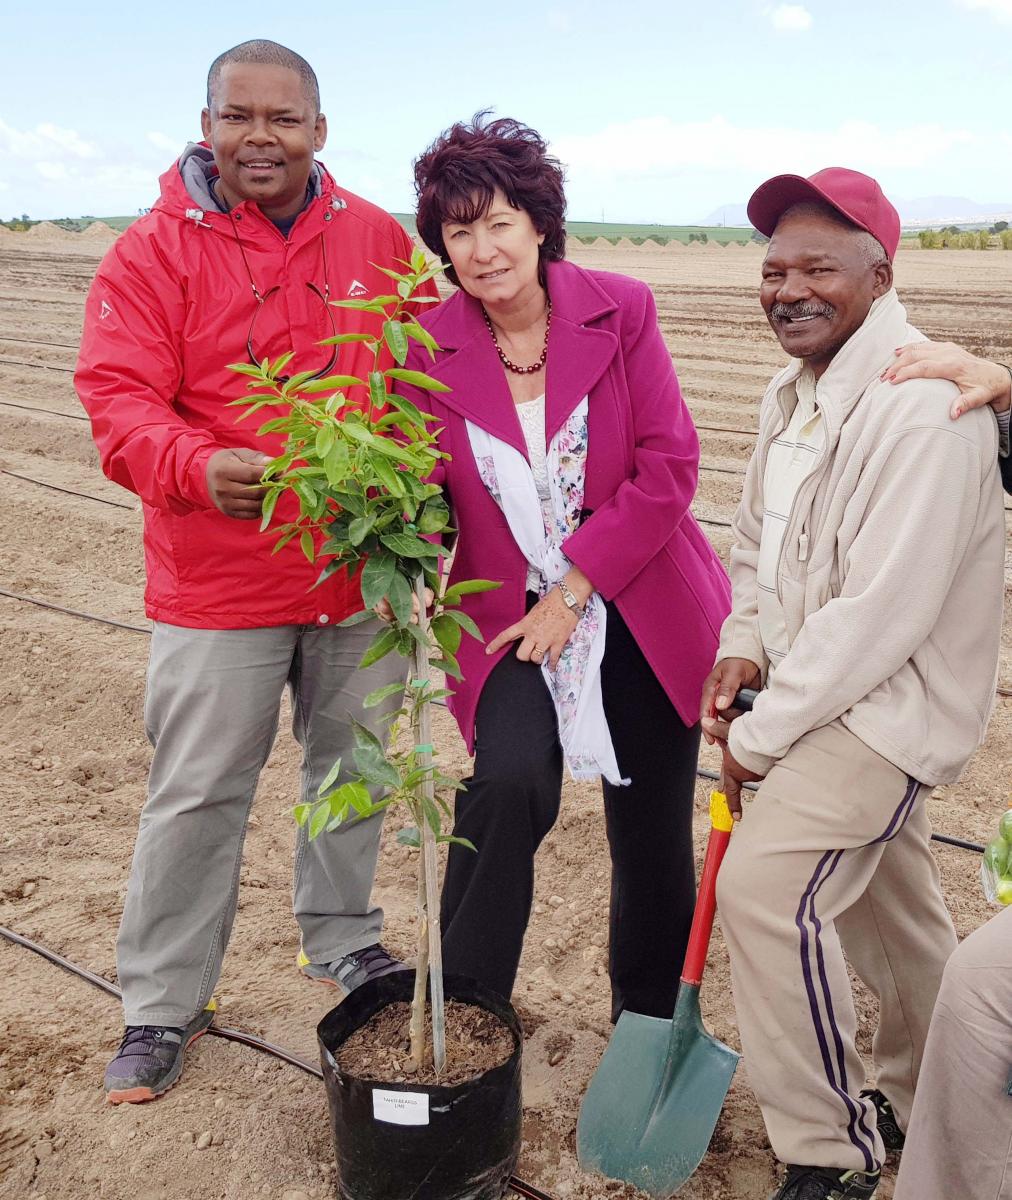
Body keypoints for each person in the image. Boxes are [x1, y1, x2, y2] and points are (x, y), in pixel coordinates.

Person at [75, 40, 435, 1105]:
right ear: (206, 125)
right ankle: (160, 1004)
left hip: (353, 576)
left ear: (320, 132)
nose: (260, 137)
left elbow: (421, 381)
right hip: (217, 583)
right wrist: (194, 463)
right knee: (195, 797)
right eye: (239, 117)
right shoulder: (150, 254)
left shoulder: (376, 239)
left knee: (357, 772)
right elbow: (117, 401)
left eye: (284, 119)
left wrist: (417, 504)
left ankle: (343, 941)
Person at [699, 168, 1005, 1200]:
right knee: (895, 916)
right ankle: (941, 1087)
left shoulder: (923, 411)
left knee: (766, 890)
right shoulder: (793, 395)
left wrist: (760, 734)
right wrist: (742, 645)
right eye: (774, 268)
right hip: (817, 694)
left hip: (881, 715)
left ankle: (831, 1150)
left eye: (817, 268)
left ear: (880, 275)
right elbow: (754, 548)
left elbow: (878, 617)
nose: (788, 287)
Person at [392, 115, 731, 1021]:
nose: (482, 248)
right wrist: (414, 559)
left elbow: (669, 466)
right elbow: (420, 487)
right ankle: (463, 1014)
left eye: (499, 221)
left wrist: (576, 588)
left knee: (651, 833)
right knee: (504, 783)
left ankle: (648, 1023)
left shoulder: (620, 309)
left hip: (640, 599)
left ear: (540, 223)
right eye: (459, 232)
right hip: (510, 610)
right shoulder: (425, 345)